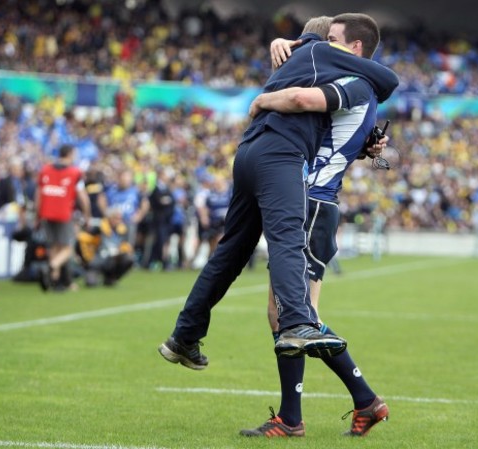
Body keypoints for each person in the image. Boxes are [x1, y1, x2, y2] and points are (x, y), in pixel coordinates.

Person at [158, 14, 398, 372]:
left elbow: (333, 126)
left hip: (249, 153)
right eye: (330, 38)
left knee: (231, 251)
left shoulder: (300, 61)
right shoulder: (320, 53)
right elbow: (377, 81)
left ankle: (184, 336)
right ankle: (298, 323)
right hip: (281, 156)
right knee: (288, 237)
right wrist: (264, 99)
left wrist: (367, 146)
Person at [239, 13, 391, 438]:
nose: (324, 50)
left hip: (313, 203)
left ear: (353, 48)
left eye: (333, 42)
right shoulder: (354, 83)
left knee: (295, 315)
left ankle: (350, 403)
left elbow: (304, 102)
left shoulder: (354, 83)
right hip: (315, 205)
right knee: (286, 314)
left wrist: (262, 100)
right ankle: (327, 409)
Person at [36, 144, 91, 291]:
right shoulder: (75, 172)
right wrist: (87, 216)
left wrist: (38, 215)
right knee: (67, 248)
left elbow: (38, 195)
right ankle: (50, 267)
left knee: (54, 246)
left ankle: (53, 280)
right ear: (71, 154)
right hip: (64, 213)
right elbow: (83, 197)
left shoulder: (45, 170)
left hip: (46, 213)